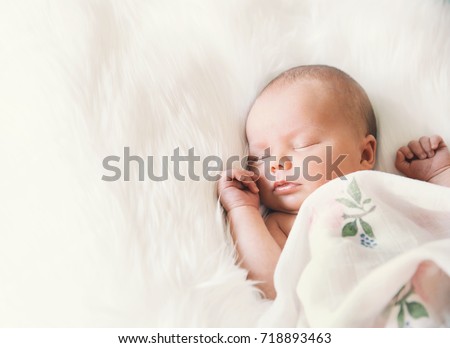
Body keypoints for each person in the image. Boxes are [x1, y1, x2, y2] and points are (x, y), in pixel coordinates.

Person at [217, 65, 450, 299]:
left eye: (303, 144)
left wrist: (439, 174)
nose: (276, 163)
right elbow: (272, 286)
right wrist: (242, 210)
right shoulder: (285, 224)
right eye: (259, 158)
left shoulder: (383, 189)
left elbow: (442, 221)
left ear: (365, 155)